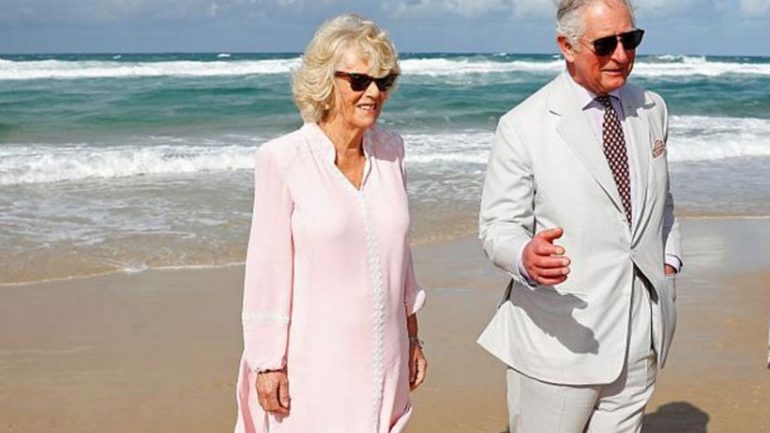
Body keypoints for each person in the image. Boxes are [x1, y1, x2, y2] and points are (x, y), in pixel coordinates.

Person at [476, 1, 682, 432]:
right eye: (605, 44)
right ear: (566, 46)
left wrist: (669, 262)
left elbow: (661, 201)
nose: (622, 55)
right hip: (560, 345)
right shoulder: (522, 125)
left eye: (631, 39)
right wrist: (524, 257)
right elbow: (498, 226)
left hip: (641, 337)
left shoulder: (653, 108)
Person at [233, 14, 427, 433]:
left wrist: (413, 338)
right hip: (315, 363)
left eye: (384, 81)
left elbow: (402, 258)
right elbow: (268, 269)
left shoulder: (392, 151)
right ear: (326, 81)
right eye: (359, 81)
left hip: (387, 354)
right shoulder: (283, 159)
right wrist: (267, 364)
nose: (373, 93)